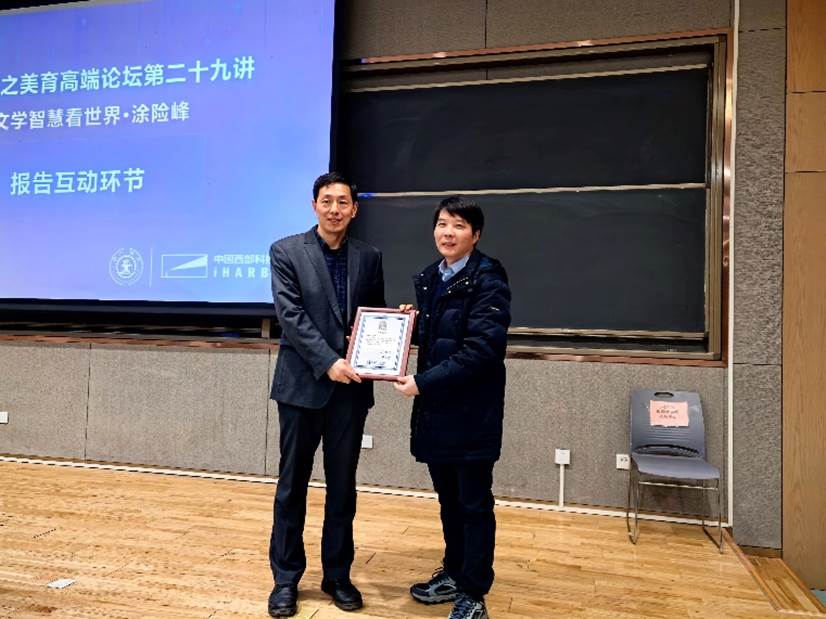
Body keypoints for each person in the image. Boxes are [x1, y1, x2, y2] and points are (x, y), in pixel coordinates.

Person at [267, 172, 385, 617]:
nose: (335, 209)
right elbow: (290, 316)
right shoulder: (286, 251)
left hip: (350, 391)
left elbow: (373, 316)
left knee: (342, 488)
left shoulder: (369, 256)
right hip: (302, 386)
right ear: (314, 205)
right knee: (291, 486)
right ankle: (285, 579)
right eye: (327, 200)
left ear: (355, 209)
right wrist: (329, 361)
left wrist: (395, 324)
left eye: (343, 202)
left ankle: (337, 575)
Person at [394, 196, 511, 619]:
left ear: (475, 235)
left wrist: (422, 382)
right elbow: (443, 337)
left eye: (459, 225)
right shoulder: (432, 278)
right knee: (449, 500)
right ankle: (456, 572)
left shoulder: (488, 278)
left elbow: (481, 350)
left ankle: (474, 594)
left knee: (474, 504)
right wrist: (410, 323)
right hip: (437, 413)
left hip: (472, 413)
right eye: (443, 223)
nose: (448, 232)